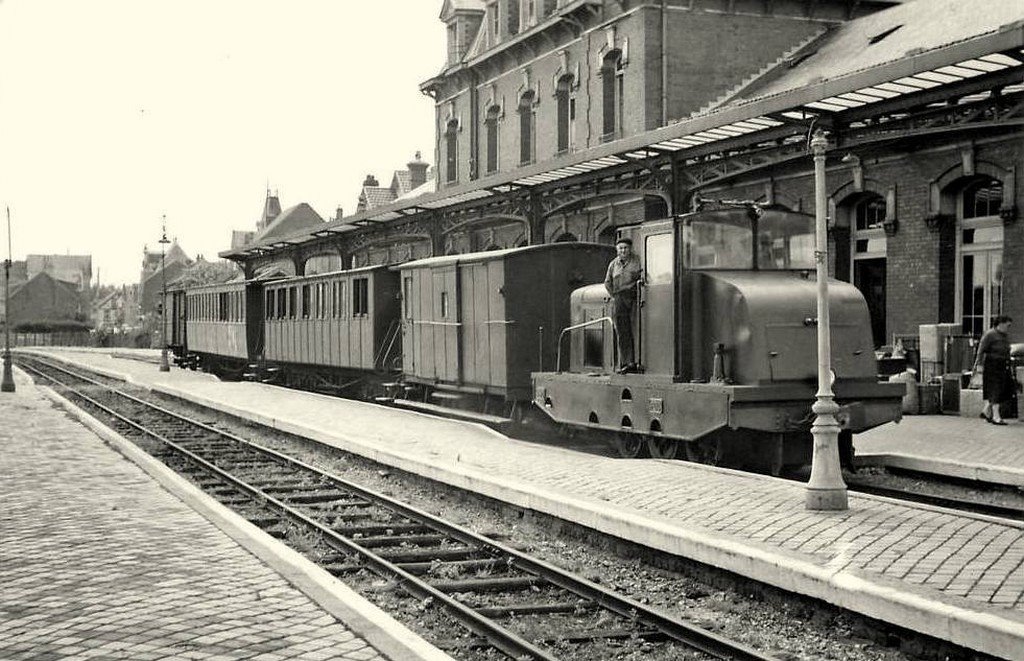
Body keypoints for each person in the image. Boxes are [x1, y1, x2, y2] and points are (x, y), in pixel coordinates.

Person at [604, 237, 642, 374]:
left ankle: (638, 361)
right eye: (620, 248)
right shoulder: (613, 265)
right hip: (619, 299)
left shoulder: (638, 261)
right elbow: (607, 282)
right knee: (622, 331)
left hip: (634, 298)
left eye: (625, 248)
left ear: (630, 249)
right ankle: (626, 362)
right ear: (617, 250)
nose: (623, 250)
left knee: (636, 329)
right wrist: (614, 295)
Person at [972, 315, 1014, 425]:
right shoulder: (990, 334)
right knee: (996, 389)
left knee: (1003, 389)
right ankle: (996, 416)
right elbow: (981, 350)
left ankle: (986, 411)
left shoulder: (1004, 336)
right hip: (992, 364)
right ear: (1000, 324)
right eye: (1007, 325)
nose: (1008, 328)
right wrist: (979, 365)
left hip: (1003, 364)